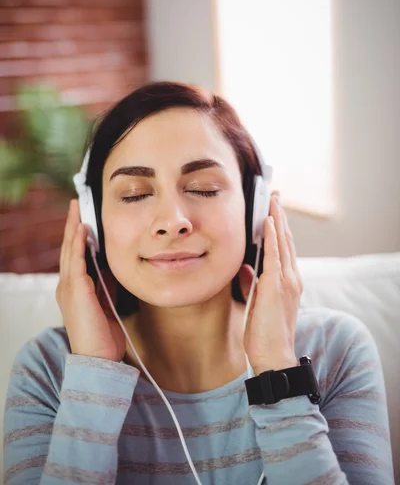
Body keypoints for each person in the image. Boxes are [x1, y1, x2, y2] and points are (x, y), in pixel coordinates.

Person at [3, 81, 395, 485]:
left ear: (256, 211)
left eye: (203, 188)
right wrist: (93, 374)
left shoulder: (334, 350)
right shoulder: (48, 369)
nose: (172, 221)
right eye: (135, 194)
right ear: (93, 222)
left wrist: (279, 372)